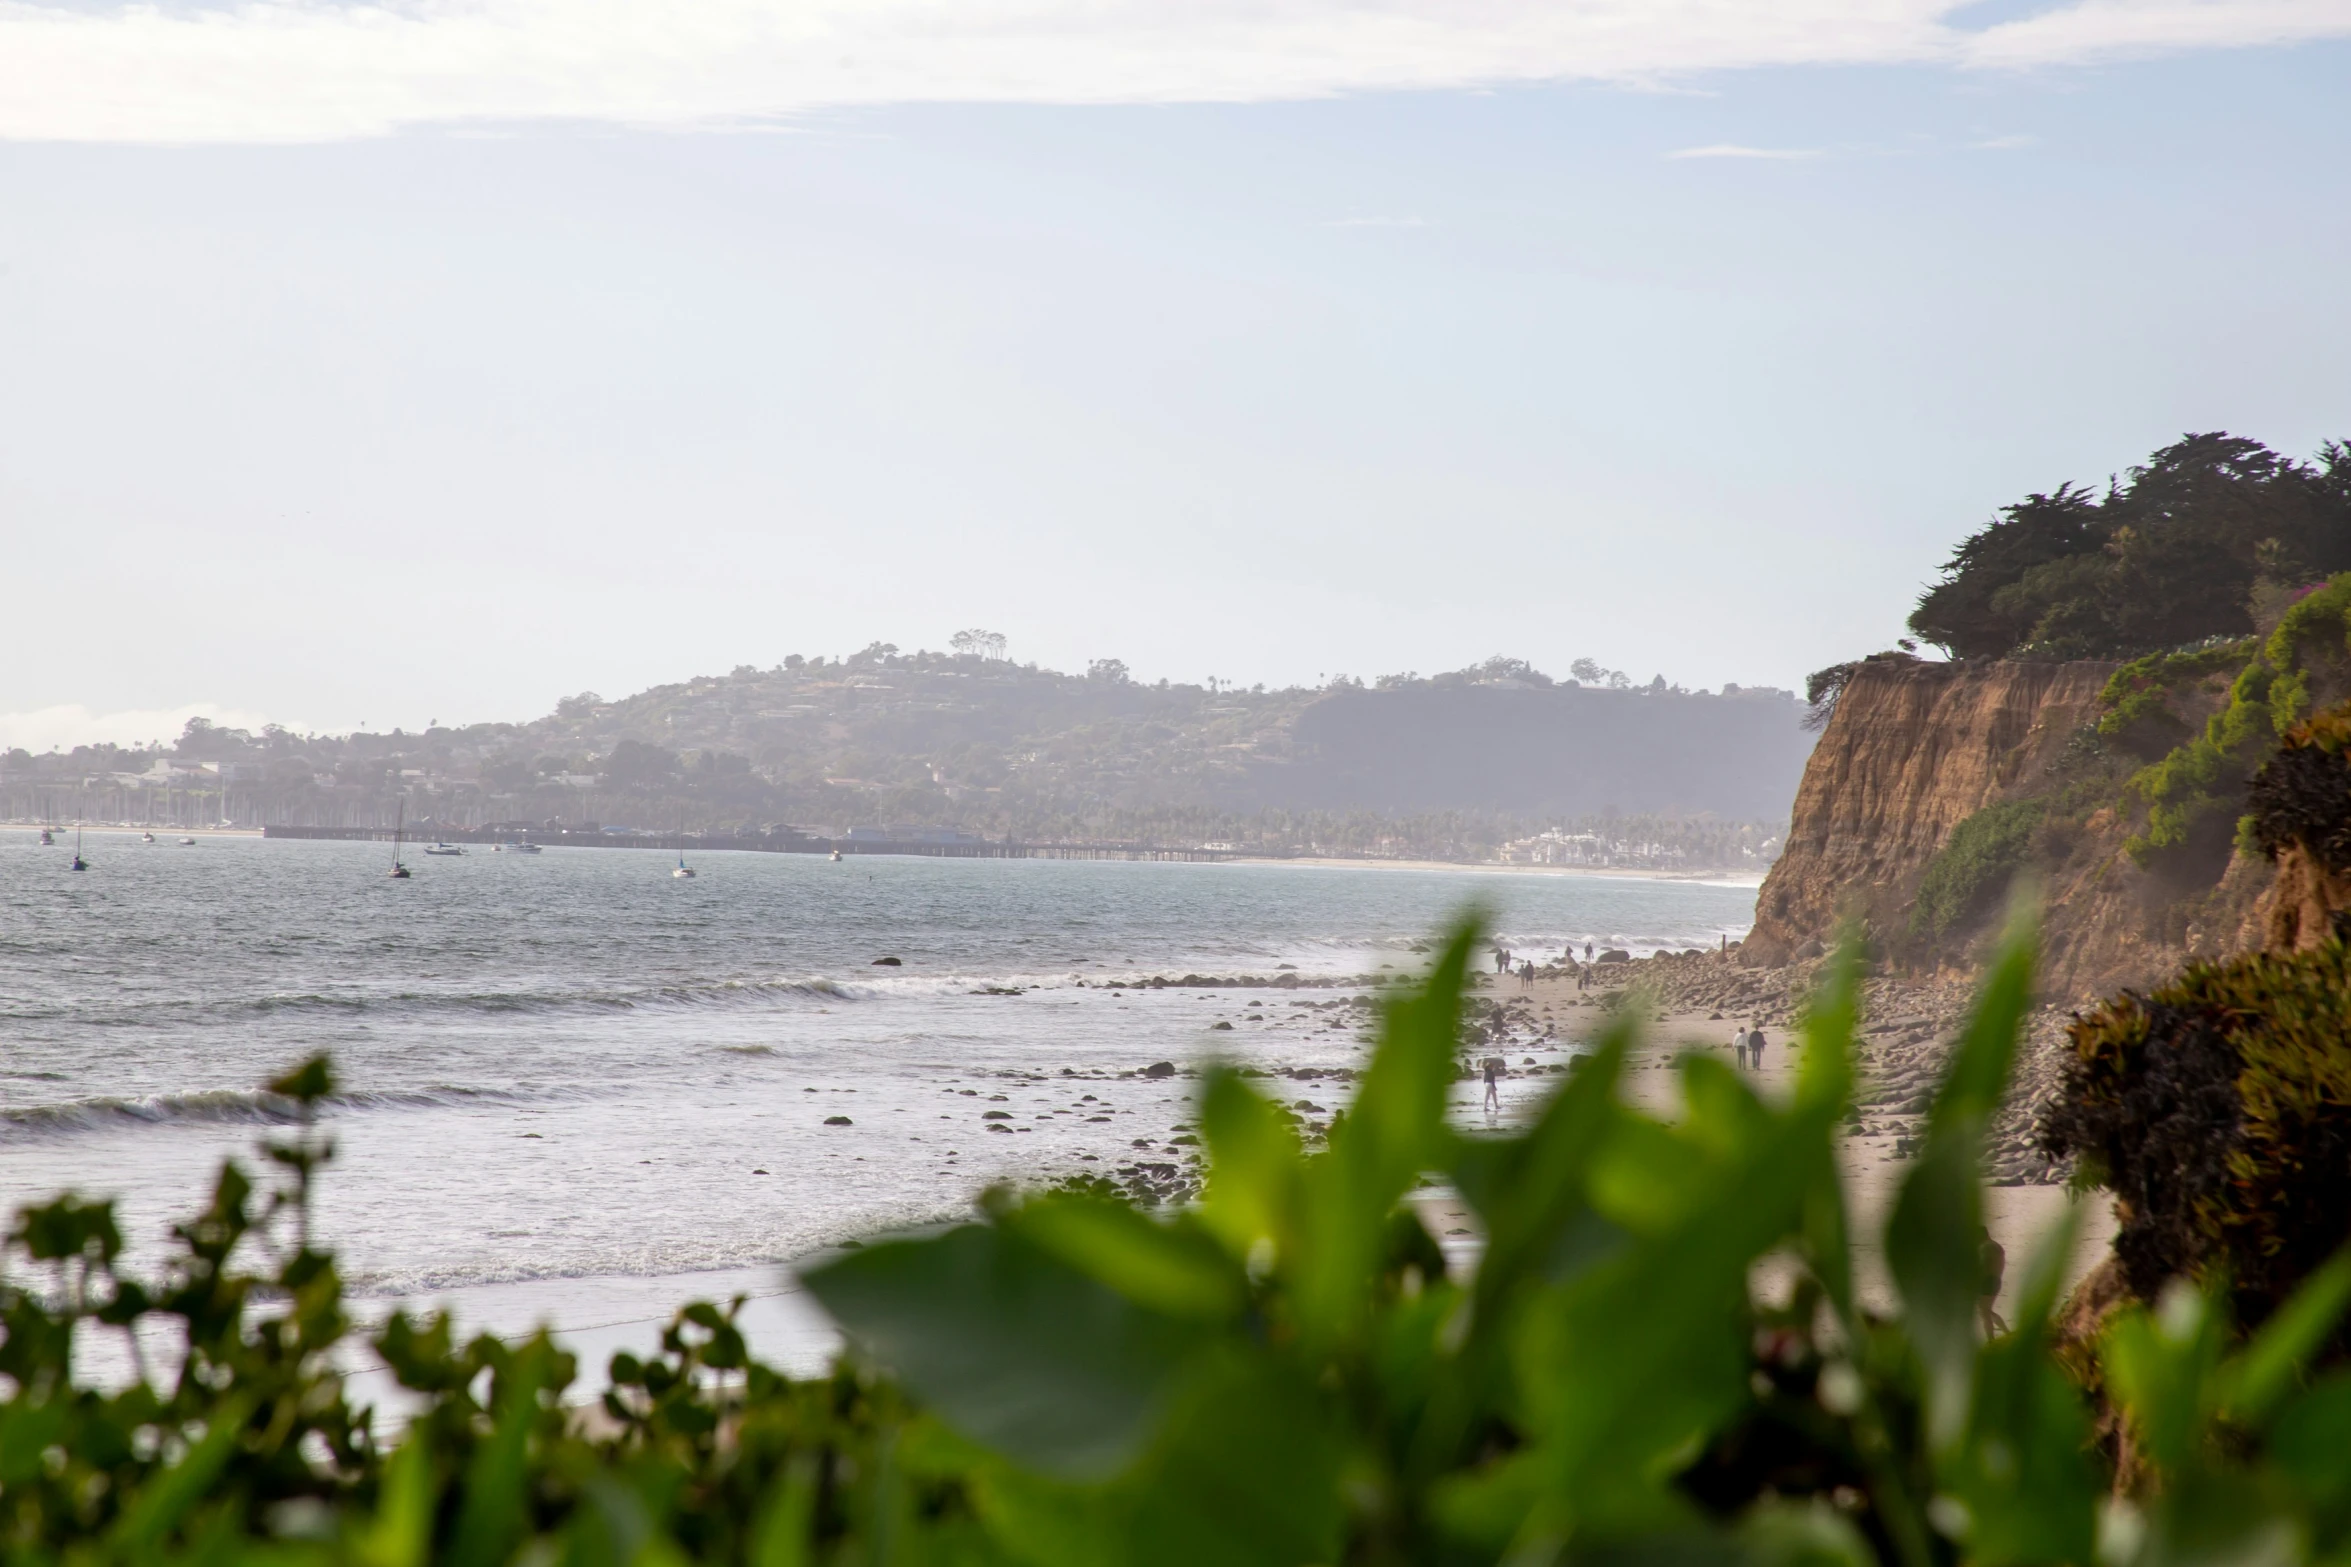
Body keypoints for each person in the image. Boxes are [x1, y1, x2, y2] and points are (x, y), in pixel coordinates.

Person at [1978, 1225, 2008, 1336]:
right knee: (1987, 1311)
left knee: (1985, 1313)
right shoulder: (1997, 1246)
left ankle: (1991, 1341)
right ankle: (2006, 1332)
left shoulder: (1985, 1247)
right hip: (1996, 1280)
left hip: (1988, 1281)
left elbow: (1984, 1266)